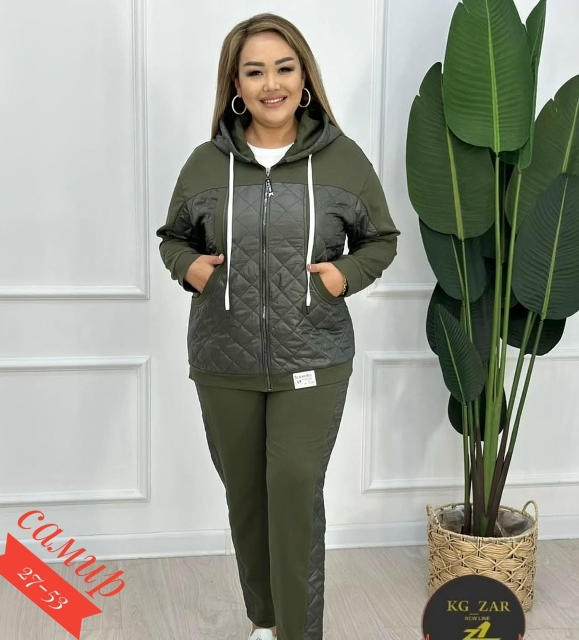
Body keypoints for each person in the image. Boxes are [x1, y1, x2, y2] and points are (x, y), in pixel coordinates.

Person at [156, 13, 399, 640]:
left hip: (314, 354)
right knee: (246, 498)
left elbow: (381, 239)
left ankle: (298, 632)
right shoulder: (206, 163)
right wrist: (192, 269)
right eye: (255, 71)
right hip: (223, 358)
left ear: (304, 77)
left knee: (293, 487)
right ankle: (264, 622)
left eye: (284, 68)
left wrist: (342, 276)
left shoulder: (343, 158)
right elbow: (173, 238)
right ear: (235, 84)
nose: (272, 84)